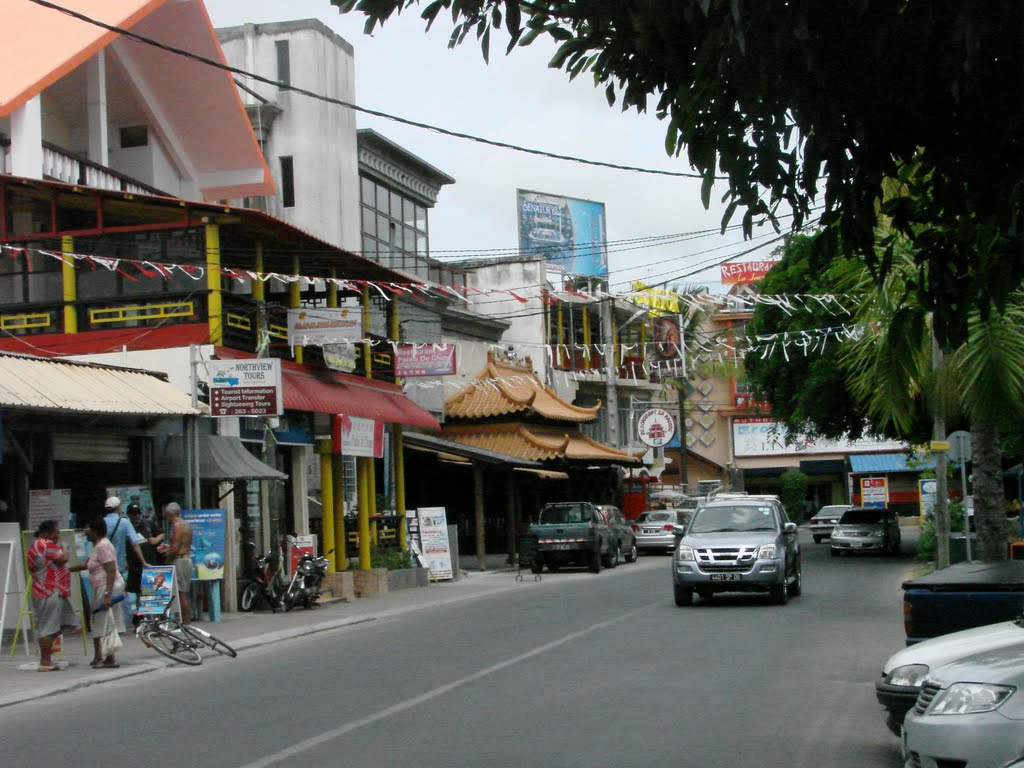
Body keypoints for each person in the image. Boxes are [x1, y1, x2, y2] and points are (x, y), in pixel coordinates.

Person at [68, 517, 125, 669]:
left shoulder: (103, 546)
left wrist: (107, 594)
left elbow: (111, 569)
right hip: (101, 586)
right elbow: (86, 565)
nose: (85, 532)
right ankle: (100, 656)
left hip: (106, 586)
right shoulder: (96, 546)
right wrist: (66, 569)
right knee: (100, 620)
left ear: (95, 531)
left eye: (88, 529)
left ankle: (108, 657)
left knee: (102, 620)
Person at [26, 520, 79, 671]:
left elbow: (33, 568)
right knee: (48, 627)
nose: (57, 536)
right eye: (56, 533)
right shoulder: (45, 544)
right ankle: (45, 661)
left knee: (50, 625)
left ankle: (46, 659)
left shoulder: (34, 545)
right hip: (48, 591)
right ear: (47, 532)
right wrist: (64, 548)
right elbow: (63, 559)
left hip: (41, 589)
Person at [102, 496, 149, 624]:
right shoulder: (124, 522)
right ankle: (122, 623)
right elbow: (135, 544)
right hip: (119, 566)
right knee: (121, 593)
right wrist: (143, 561)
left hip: (103, 564)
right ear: (118, 508)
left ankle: (109, 622)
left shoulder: (101, 522)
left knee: (106, 592)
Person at [125, 502, 164, 625]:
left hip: (150, 563)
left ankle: (156, 620)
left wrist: (155, 540)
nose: (136, 517)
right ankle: (142, 619)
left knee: (153, 592)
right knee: (139, 594)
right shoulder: (127, 527)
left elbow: (161, 533)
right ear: (129, 515)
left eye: (137, 514)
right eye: (133, 514)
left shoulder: (148, 524)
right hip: (134, 565)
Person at [158, 502, 193, 624]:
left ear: (169, 513)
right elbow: (180, 545)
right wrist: (168, 547)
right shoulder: (186, 524)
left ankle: (185, 622)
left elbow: (176, 547)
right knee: (180, 592)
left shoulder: (177, 525)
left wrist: (167, 560)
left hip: (180, 560)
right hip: (185, 558)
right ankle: (183, 621)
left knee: (180, 592)